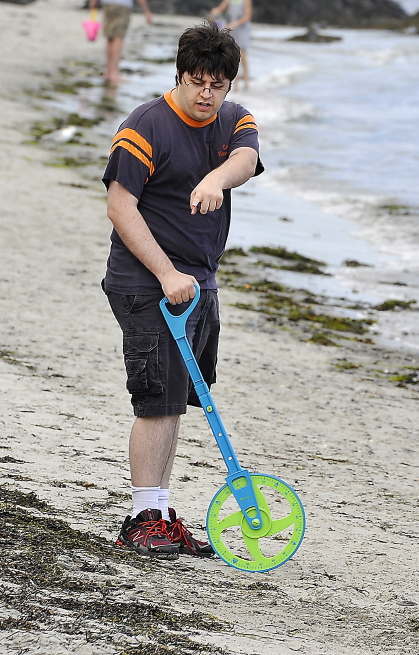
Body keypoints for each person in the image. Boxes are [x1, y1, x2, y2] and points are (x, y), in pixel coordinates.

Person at [102, 20, 264, 559]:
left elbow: (245, 157)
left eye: (217, 85)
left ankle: (160, 510)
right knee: (155, 400)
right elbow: (120, 205)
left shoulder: (233, 120)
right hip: (146, 282)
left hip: (197, 283)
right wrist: (166, 273)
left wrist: (216, 179)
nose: (205, 95)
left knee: (176, 399)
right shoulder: (145, 124)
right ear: (179, 75)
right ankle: (141, 515)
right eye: (196, 82)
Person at [89, 0, 153, 85]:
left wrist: (93, 1)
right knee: (118, 38)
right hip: (122, 5)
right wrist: (146, 11)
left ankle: (108, 72)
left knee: (110, 38)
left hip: (108, 3)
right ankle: (115, 73)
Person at [210, 0, 252, 91]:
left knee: (243, 57)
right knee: (232, 56)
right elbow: (221, 8)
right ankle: (235, 85)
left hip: (242, 29)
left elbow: (247, 17)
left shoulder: (246, 1)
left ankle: (246, 82)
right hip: (231, 29)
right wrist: (216, 10)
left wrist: (235, 23)